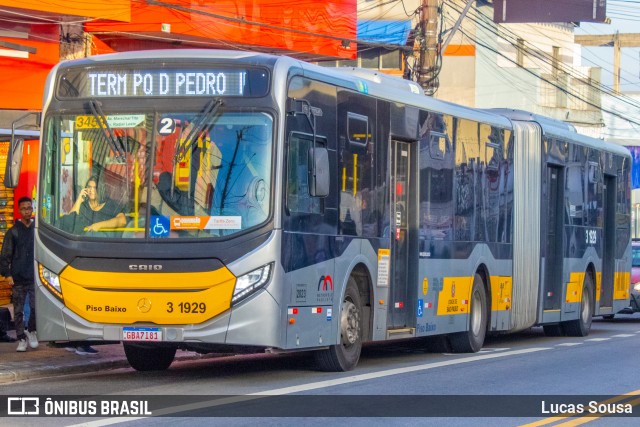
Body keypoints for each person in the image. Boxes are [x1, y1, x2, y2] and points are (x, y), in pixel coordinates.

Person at [0, 196, 37, 352]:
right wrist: (7, 274)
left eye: (29, 208)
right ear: (19, 210)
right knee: (18, 310)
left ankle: (32, 331)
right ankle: (21, 338)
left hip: (35, 277)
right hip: (18, 278)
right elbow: (5, 255)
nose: (27, 211)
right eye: (24, 208)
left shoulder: (37, 230)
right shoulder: (13, 231)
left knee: (36, 307)